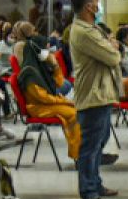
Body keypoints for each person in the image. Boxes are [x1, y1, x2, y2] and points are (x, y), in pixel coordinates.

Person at [69, 0, 122, 199]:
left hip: (102, 93)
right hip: (92, 94)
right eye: (97, 1)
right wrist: (113, 47)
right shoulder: (84, 32)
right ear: (89, 6)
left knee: (99, 142)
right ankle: (88, 192)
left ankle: (96, 183)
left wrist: (111, 45)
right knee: (90, 147)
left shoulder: (92, 29)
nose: (99, 5)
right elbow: (112, 56)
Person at [17, 32, 81, 161]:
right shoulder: (29, 72)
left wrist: (55, 65)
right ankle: (79, 155)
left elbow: (60, 82)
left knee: (76, 110)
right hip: (38, 107)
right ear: (37, 50)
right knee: (74, 113)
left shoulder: (41, 66)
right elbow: (42, 97)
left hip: (47, 103)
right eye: (45, 48)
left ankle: (82, 152)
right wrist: (63, 101)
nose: (48, 51)